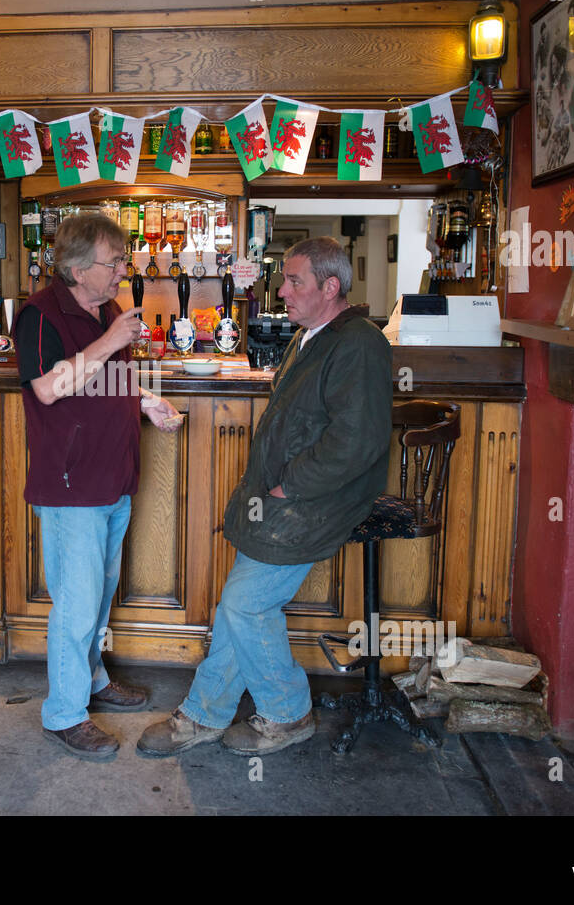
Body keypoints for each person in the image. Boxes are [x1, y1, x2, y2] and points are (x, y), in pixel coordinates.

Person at [137, 236, 392, 758]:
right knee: (239, 606)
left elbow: (357, 441)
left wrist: (288, 484)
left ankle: (287, 712)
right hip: (283, 495)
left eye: (294, 280)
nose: (282, 289)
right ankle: (204, 715)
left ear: (331, 286)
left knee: (245, 604)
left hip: (316, 498)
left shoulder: (359, 342)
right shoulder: (311, 337)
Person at [15, 212, 182, 761]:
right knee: (76, 602)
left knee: (99, 595)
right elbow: (48, 388)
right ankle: (64, 714)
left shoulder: (105, 309)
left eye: (122, 260)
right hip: (71, 486)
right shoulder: (39, 315)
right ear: (79, 267)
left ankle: (91, 679)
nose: (122, 271)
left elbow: (109, 379)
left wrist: (147, 403)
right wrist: (112, 338)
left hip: (114, 479)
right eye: (114, 262)